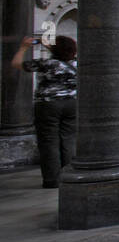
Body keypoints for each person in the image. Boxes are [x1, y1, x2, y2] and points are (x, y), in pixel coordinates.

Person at [13, 35, 77, 187]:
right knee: (68, 140)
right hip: (71, 104)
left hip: (49, 104)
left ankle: (52, 179)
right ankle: (69, 176)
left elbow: (16, 64)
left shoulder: (46, 64)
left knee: (49, 141)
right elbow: (63, 52)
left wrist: (23, 47)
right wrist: (48, 43)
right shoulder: (75, 63)